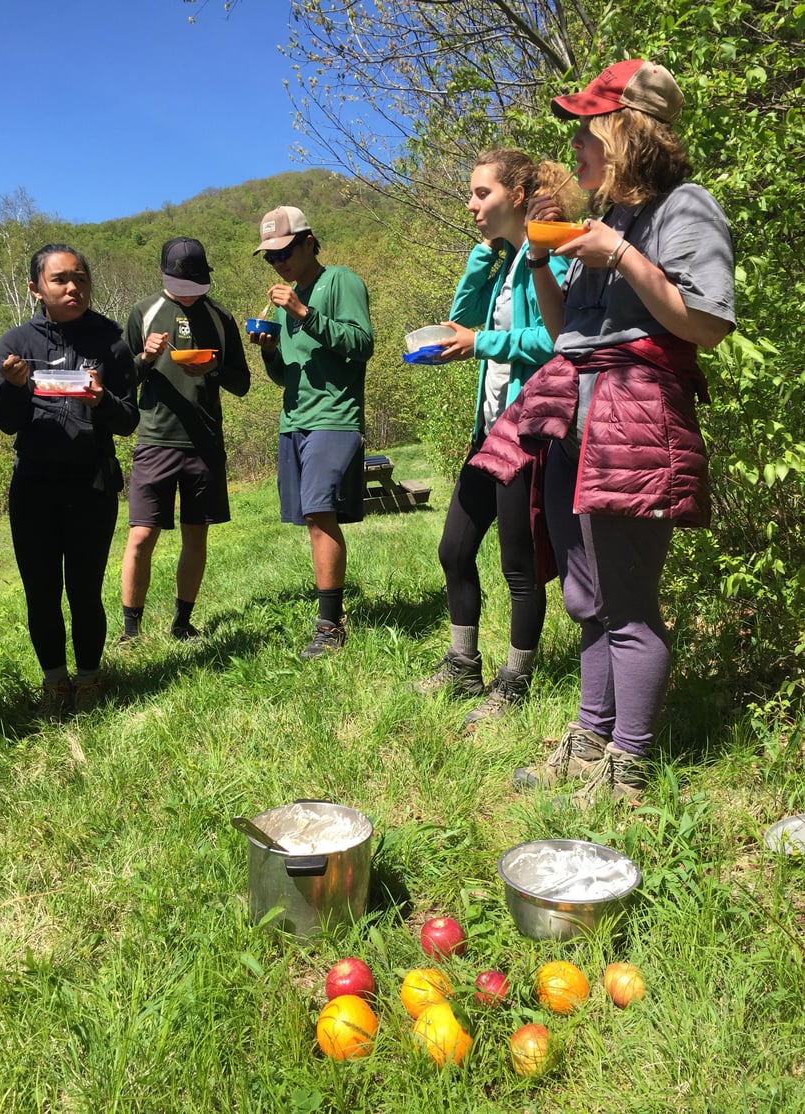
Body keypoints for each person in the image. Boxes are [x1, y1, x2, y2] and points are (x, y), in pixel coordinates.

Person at [471, 60, 735, 802]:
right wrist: (545, 265)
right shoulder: (603, 220)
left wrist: (621, 255)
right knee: (586, 598)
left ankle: (630, 765)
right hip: (572, 408)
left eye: (587, 127)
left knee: (628, 601)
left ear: (626, 130)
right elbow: (566, 333)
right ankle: (590, 742)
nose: (576, 144)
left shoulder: (686, 210)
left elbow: (706, 324)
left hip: (635, 413)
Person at [411, 150, 580, 725]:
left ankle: (515, 680)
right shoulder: (505, 260)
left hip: (528, 428)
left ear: (519, 192)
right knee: (454, 549)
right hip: (489, 431)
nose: (471, 203)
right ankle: (463, 664)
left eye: (482, 193)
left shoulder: (547, 256)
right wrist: (482, 256)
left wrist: (482, 343)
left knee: (519, 566)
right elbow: (461, 316)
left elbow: (556, 340)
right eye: (472, 193)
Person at [0, 243, 139, 718]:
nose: (73, 286)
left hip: (91, 486)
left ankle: (90, 677)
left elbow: (129, 419)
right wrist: (14, 389)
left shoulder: (111, 343)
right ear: (36, 288)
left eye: (81, 277)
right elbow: (7, 423)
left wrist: (102, 402)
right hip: (33, 487)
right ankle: (55, 681)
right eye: (60, 279)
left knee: (84, 589)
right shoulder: (15, 344)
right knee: (40, 591)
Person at [248, 206, 373, 659]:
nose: (277, 261)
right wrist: (269, 351)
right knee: (310, 517)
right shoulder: (282, 305)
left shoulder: (341, 281)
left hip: (335, 416)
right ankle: (330, 614)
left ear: (308, 241)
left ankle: (329, 626)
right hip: (294, 418)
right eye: (269, 257)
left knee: (320, 511)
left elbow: (362, 345)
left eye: (283, 251)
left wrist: (303, 311)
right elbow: (286, 375)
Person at [120, 237, 250, 642]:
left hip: (205, 442)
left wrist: (213, 368)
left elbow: (242, 383)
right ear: (165, 276)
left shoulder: (220, 318)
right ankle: (130, 630)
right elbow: (120, 383)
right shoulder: (143, 312)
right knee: (141, 536)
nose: (189, 292)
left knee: (197, 535)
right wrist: (144, 358)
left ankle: (182, 622)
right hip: (156, 439)